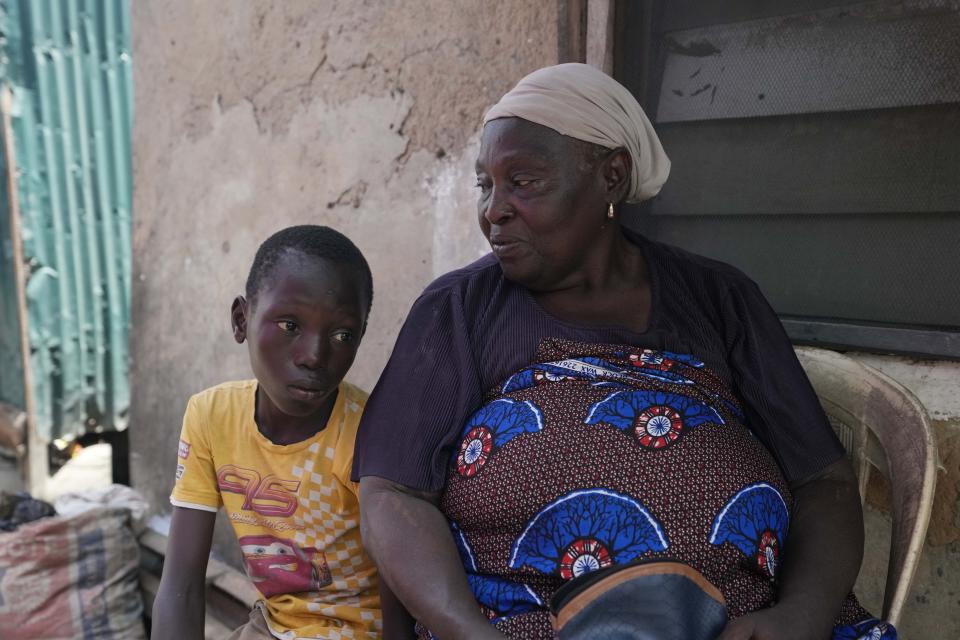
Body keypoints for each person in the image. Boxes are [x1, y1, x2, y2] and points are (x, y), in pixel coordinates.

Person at [353, 64, 896, 640]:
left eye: (524, 182)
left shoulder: (718, 298)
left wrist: (799, 617)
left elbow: (825, 482)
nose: (494, 210)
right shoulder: (459, 309)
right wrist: (468, 633)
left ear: (612, 177)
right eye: (485, 184)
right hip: (523, 627)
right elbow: (393, 494)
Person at [153, 226, 383, 639]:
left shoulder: (372, 430)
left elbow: (402, 588)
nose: (314, 356)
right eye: (290, 325)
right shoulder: (212, 416)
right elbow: (181, 586)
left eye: (342, 335)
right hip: (271, 626)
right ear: (242, 320)